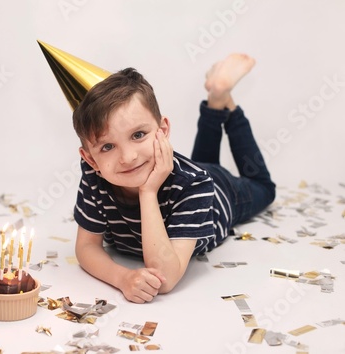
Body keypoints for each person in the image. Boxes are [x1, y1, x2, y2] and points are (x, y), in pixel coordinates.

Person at [72, 53, 276, 304]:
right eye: (107, 147)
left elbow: (165, 277)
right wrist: (122, 278)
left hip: (223, 192)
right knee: (203, 161)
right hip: (185, 172)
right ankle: (215, 102)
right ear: (90, 159)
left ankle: (224, 103)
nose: (128, 157)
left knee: (264, 189)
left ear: (163, 130)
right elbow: (86, 247)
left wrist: (148, 192)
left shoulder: (195, 185)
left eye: (138, 135)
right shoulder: (95, 175)